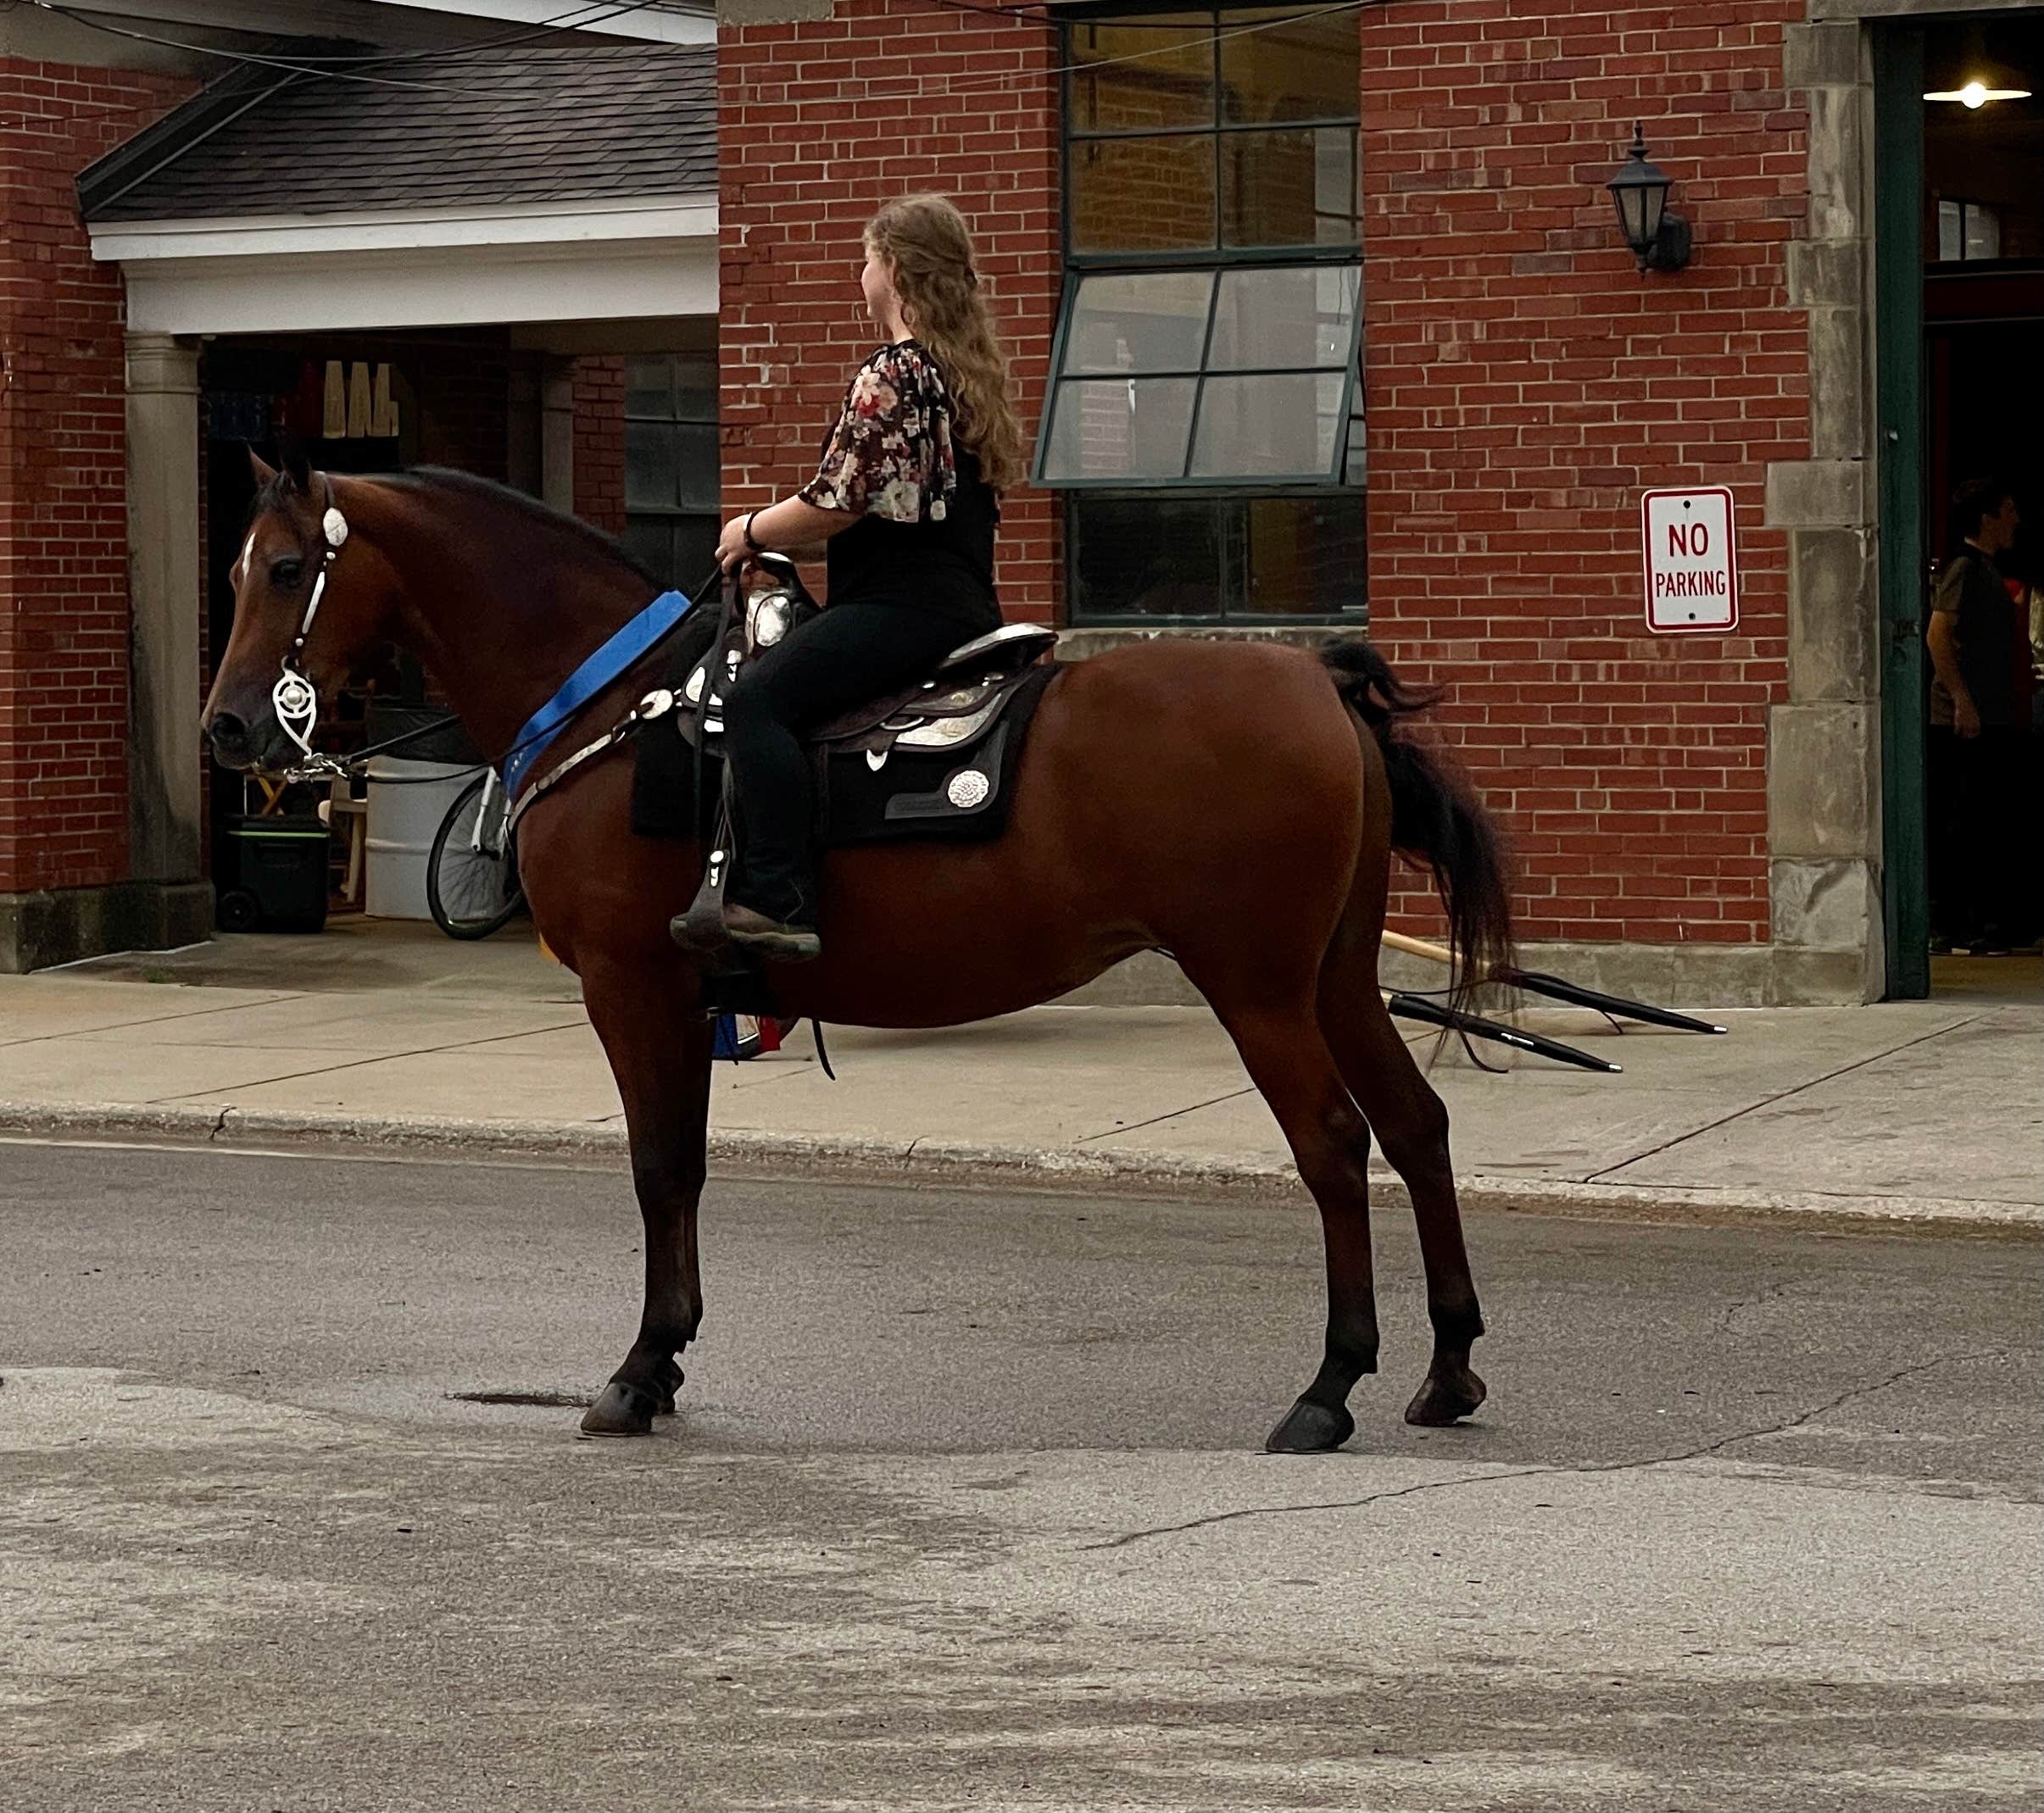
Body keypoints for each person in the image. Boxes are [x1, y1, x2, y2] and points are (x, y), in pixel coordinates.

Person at [685, 194, 1024, 961]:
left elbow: (834, 506)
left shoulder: (893, 375)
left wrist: (748, 531)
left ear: (895, 269)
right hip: (963, 603)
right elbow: (888, 508)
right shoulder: (960, 377)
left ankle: (778, 898)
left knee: (755, 703)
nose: (860, 272)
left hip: (900, 608)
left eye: (868, 258)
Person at [1926, 477, 2023, 955]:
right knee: (1964, 824)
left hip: (1987, 715)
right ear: (1986, 517)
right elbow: (1937, 635)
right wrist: (1961, 699)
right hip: (1964, 722)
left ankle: (1974, 925)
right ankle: (1957, 927)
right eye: (2008, 509)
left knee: (1981, 822)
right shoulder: (1964, 568)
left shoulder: (1985, 570)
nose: (2016, 520)